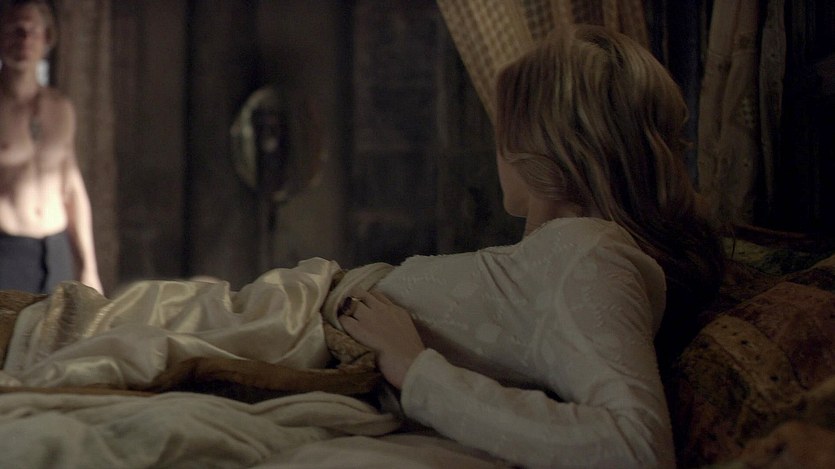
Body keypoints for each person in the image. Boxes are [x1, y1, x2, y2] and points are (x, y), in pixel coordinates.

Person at [339, 25, 724, 468]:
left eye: (503, 130)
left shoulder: (589, 252)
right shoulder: (567, 253)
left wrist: (414, 370)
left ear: (537, 142)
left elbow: (635, 449)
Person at [0, 0, 102, 293]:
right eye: (14, 30)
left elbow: (72, 189)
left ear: (46, 38)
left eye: (32, 30)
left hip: (55, 251)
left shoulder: (60, 108)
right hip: (7, 251)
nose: (24, 38)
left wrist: (88, 267)